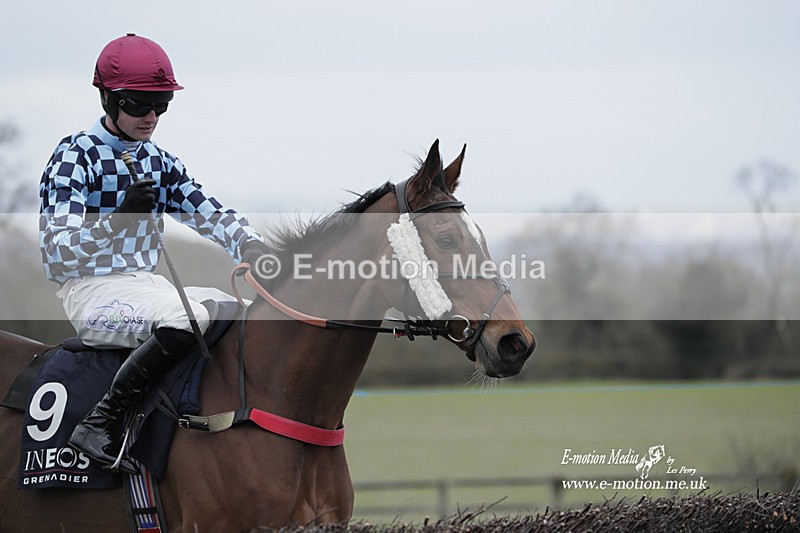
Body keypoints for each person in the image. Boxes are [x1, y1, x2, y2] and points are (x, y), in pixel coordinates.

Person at [38, 33, 270, 474]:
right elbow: (57, 254)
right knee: (188, 318)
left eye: (162, 106)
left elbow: (207, 210)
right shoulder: (74, 157)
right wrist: (117, 221)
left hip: (145, 286)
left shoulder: (159, 161)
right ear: (108, 98)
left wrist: (249, 243)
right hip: (90, 291)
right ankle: (100, 422)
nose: (151, 117)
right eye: (140, 105)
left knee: (237, 311)